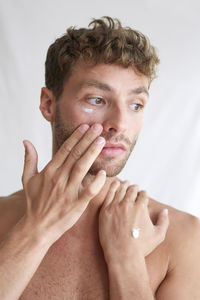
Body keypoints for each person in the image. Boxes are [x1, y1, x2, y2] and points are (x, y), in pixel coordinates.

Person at [0, 16, 200, 300]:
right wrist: (35, 230)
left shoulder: (183, 238)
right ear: (48, 104)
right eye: (96, 100)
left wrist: (126, 261)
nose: (119, 122)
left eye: (135, 104)